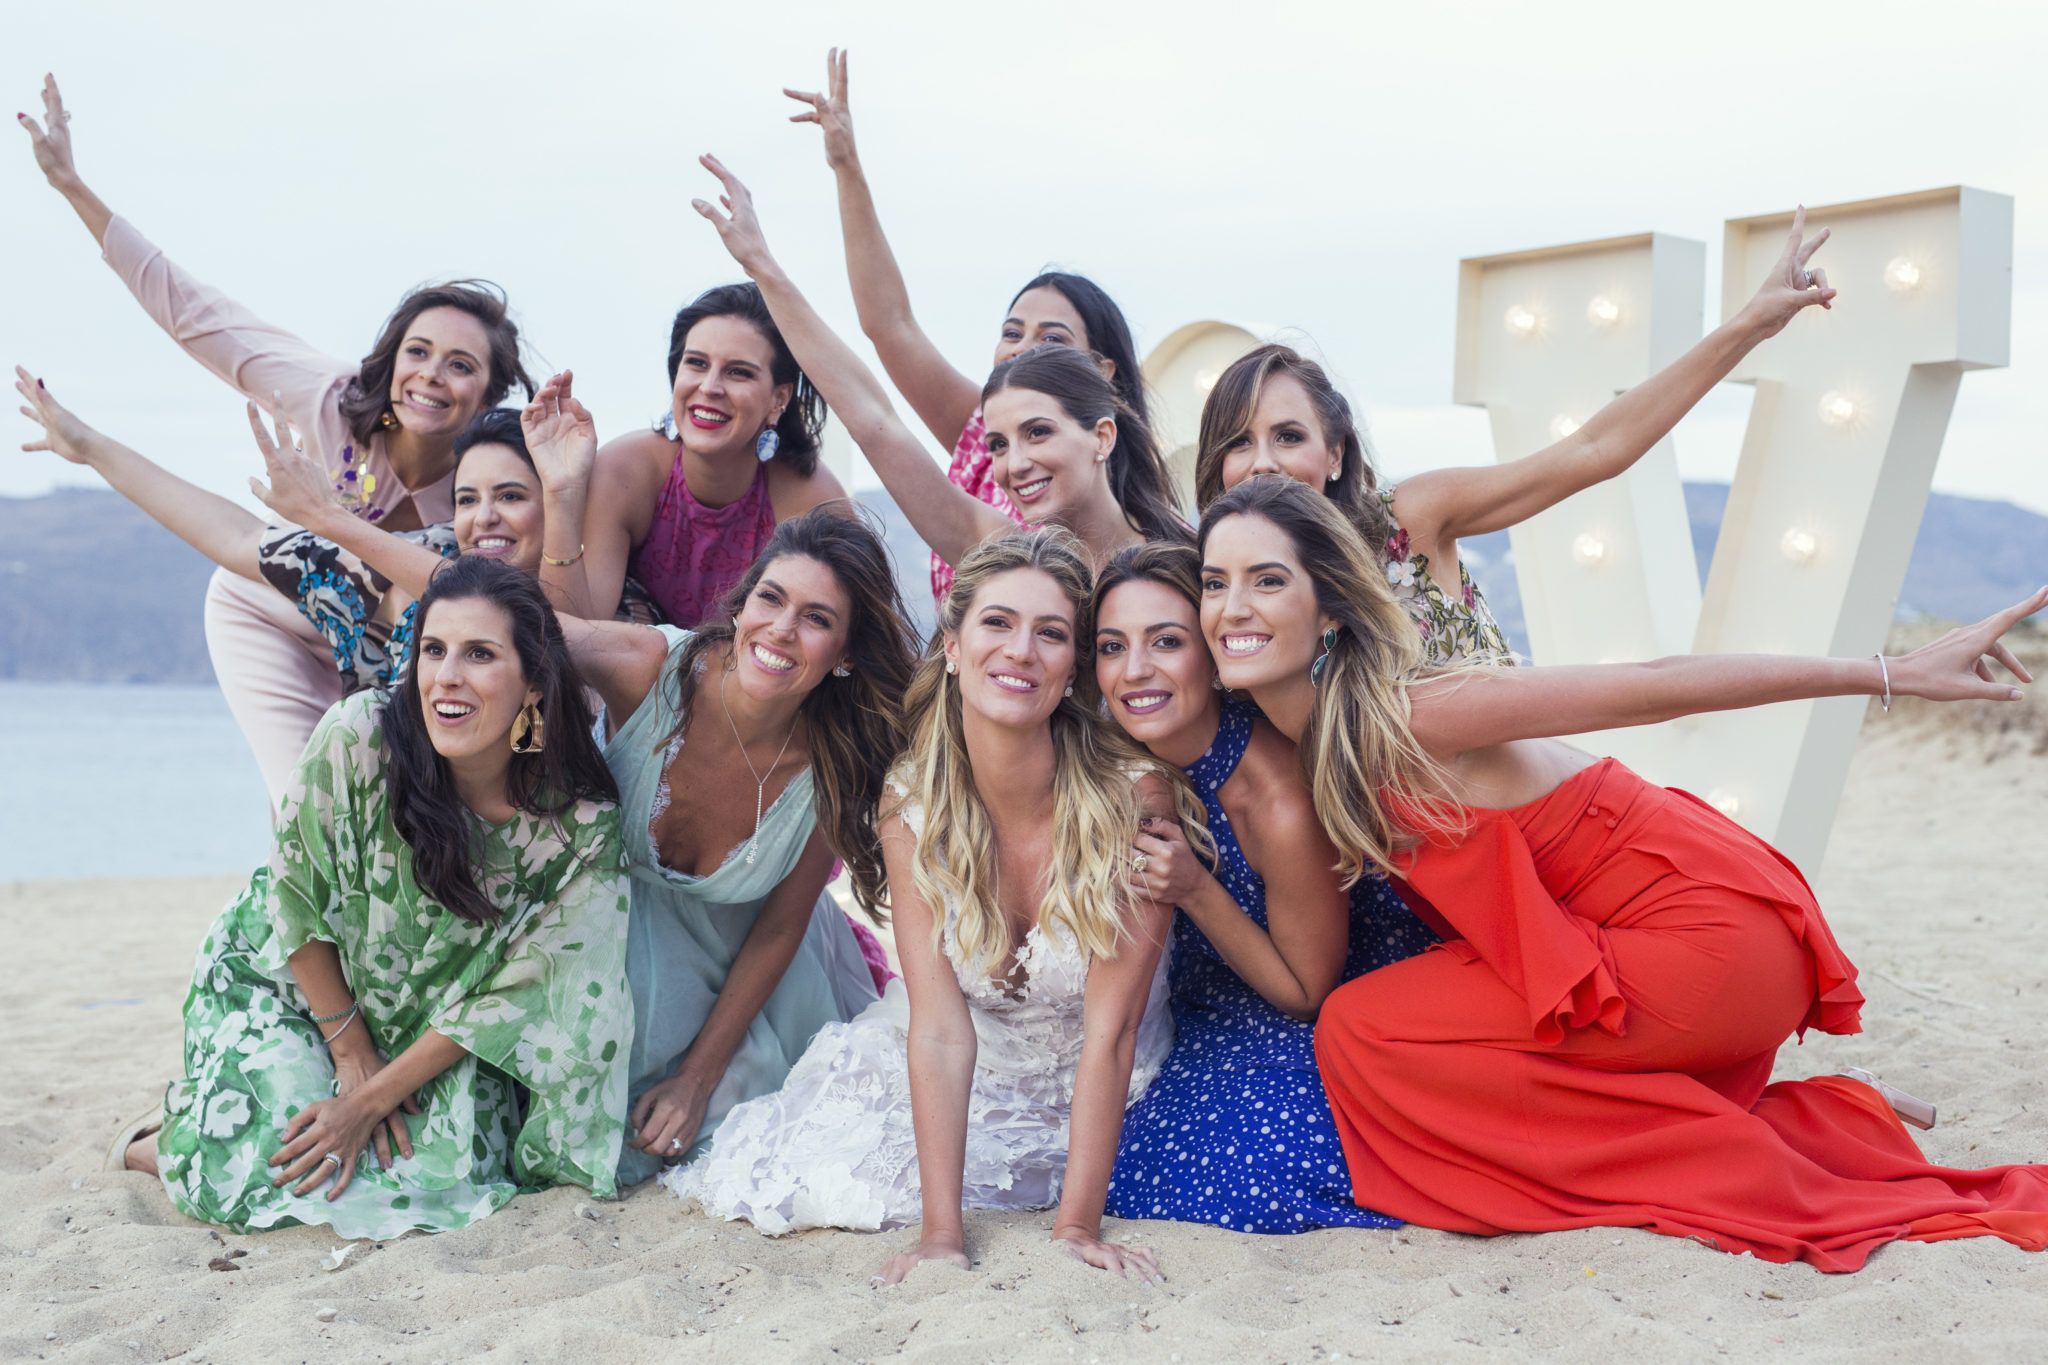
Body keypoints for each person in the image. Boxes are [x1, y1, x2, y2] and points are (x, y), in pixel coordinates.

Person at [1197, 474, 2048, 1272]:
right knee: (1382, 1028)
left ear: (1331, 608)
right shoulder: (1312, 736)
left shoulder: (1413, 710)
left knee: (1363, 1028)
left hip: (1713, 938)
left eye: (1267, 581)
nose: (1233, 607)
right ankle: (1807, 1117)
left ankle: (1761, 1146)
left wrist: (1889, 671)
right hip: (1648, 936)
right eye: (1213, 583)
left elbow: (1653, 684)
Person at [669, 529, 1199, 1285]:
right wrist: (942, 1236)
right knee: (805, 1168)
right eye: (997, 623)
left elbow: (1109, 1035)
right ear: (953, 646)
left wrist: (1076, 1226)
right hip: (971, 1059)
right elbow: (941, 1027)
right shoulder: (911, 800)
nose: (1020, 650)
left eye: (1051, 634)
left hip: (1107, 1073)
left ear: (1073, 668)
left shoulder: (1131, 796)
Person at [19, 75, 535, 798]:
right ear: (391, 358)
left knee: (400, 802)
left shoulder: (488, 487)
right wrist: (74, 188)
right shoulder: (330, 401)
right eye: (417, 352)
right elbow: (198, 317)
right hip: (286, 610)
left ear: (490, 391)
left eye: (460, 365)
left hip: (408, 645)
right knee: (303, 807)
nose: (431, 376)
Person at [119, 556, 633, 1237]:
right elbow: (294, 898)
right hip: (297, 983)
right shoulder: (360, 736)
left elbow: (516, 995)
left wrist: (375, 1096)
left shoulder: (580, 827)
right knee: (285, 1159)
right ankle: (155, 1142)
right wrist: (351, 1054)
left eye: (480, 654)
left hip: (447, 1035)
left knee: (437, 1184)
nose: (446, 677)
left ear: (534, 683)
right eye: (434, 650)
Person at [1193, 209, 1839, 665]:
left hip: (1518, 802)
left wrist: (1750, 325)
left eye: (1288, 436)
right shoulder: (1223, 598)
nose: (1263, 463)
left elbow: (1594, 450)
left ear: (1334, 453)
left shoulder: (1405, 522)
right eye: (1238, 443)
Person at [553, 502, 919, 1186]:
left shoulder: (838, 763)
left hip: (751, 985)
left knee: (762, 1146)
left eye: (817, 619)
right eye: (771, 598)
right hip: (611, 956)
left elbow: (780, 927)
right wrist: (563, 492)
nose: (781, 629)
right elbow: (503, 619)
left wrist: (697, 1078)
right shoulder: (653, 667)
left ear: (845, 654)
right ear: (742, 603)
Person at [1089, 543, 1437, 1233]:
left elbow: (1308, 993)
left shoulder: (1276, 799)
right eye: (1111, 646)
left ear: (1212, 653)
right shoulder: (1126, 754)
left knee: (1232, 1178)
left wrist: (1195, 887)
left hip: (1313, 1011)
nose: (1134, 671)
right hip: (1203, 1008)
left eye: (1166, 642)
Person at [13, 373, 655, 706]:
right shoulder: (414, 557)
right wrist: (91, 449)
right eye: (467, 498)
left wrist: (565, 494)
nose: (483, 518)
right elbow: (236, 537)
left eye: (511, 497)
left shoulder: (620, 601)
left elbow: (555, 636)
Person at [691, 155, 1186, 579]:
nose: (1014, 464)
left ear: (1102, 434)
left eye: (1038, 432)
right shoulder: (1009, 552)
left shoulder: (1184, 563)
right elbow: (875, 418)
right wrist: (763, 267)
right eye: (997, 444)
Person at [783, 47, 1160, 601]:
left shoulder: (1154, 551)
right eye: (1012, 333)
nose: (1022, 350)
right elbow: (889, 327)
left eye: (1051, 340)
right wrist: (846, 168)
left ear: (1103, 380)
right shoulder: (982, 438)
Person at [536, 287, 851, 630]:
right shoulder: (625, 470)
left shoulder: (815, 504)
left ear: (779, 398)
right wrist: (561, 493)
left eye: (739, 372)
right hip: (630, 661)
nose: (710, 387)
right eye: (697, 364)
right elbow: (578, 632)